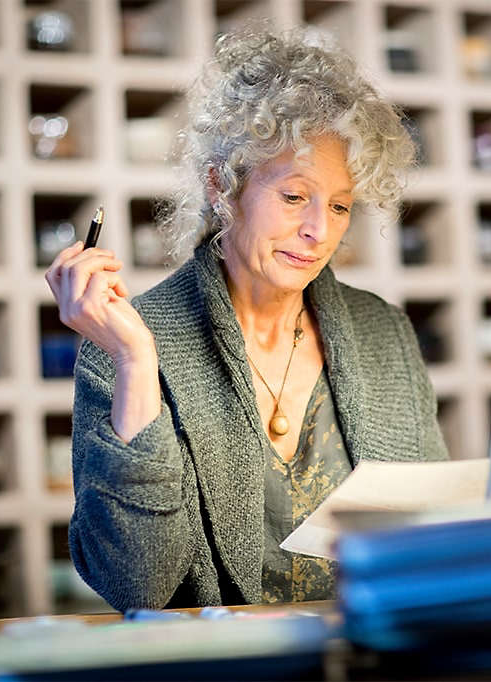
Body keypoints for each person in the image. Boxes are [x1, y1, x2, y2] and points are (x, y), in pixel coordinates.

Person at [44, 28, 448, 612]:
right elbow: (138, 584)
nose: (319, 230)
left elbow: (432, 540)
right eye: (293, 197)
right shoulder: (129, 341)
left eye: (338, 206)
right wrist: (135, 361)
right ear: (221, 186)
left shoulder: (383, 331)